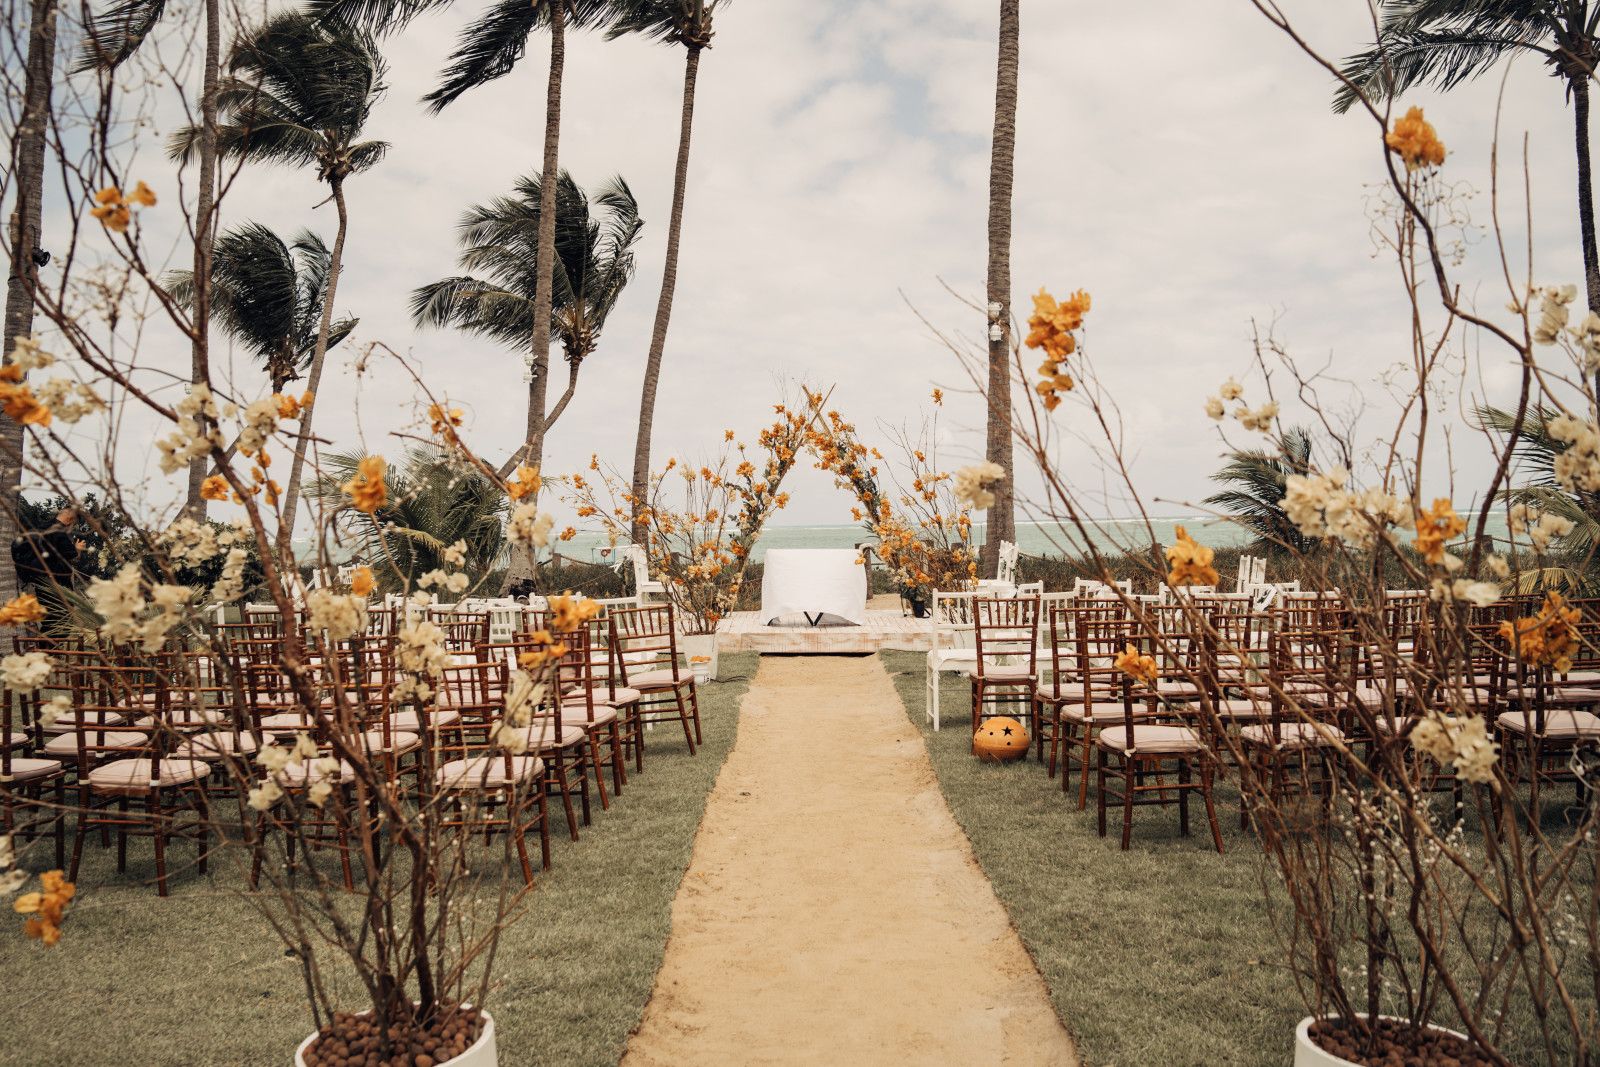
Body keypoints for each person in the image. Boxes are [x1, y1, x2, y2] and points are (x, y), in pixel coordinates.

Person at [11, 507, 86, 625]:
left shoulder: (37, 529)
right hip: (57, 584)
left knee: (50, 620)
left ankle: (45, 643)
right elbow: (72, 559)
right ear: (70, 519)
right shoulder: (60, 533)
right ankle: (49, 644)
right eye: (74, 523)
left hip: (39, 582)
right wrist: (78, 549)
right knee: (62, 620)